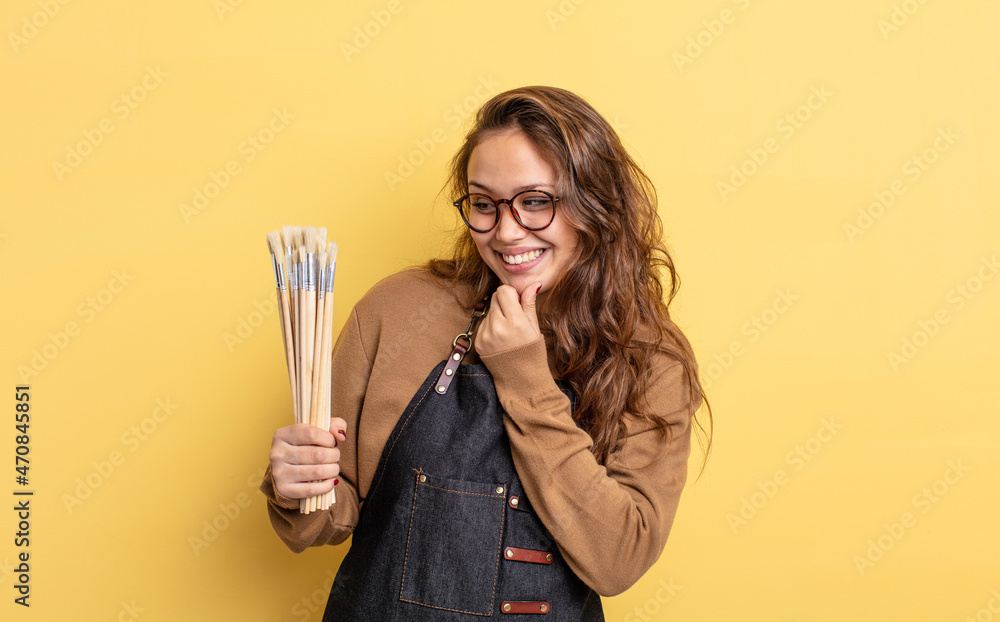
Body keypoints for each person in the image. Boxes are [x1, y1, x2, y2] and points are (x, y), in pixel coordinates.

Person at [261, 86, 711, 620]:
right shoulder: (397, 310)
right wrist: (299, 489)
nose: (506, 231)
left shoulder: (650, 361)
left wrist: (523, 374)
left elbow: (618, 560)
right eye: (483, 204)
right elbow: (332, 515)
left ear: (595, 203)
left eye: (536, 201)